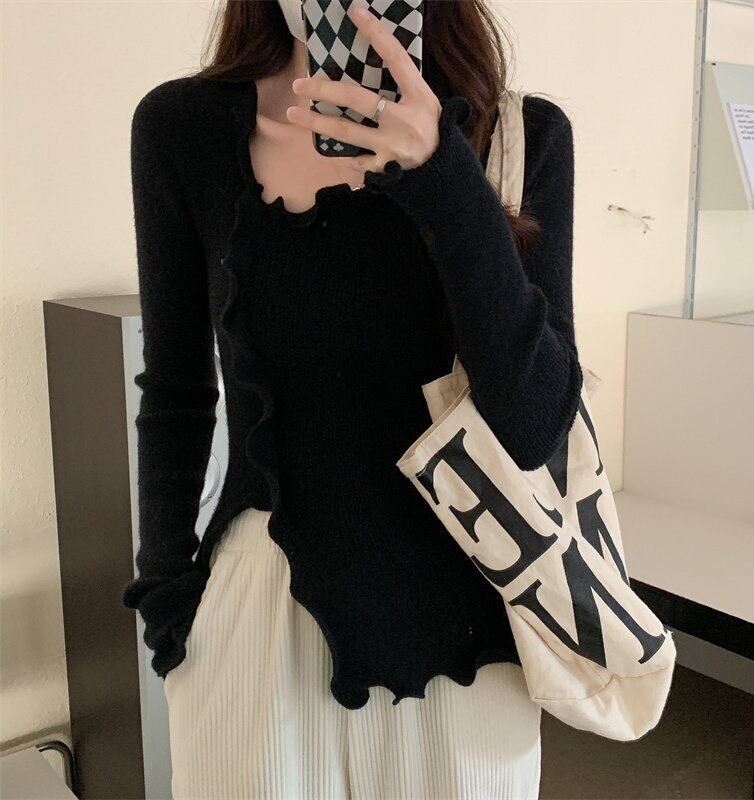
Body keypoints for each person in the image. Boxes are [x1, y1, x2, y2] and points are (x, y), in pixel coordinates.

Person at [121, 0, 582, 797]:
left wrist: (443, 174)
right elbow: (176, 391)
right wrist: (167, 598)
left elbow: (535, 424)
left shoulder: (519, 135)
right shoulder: (183, 127)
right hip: (257, 620)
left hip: (469, 634)